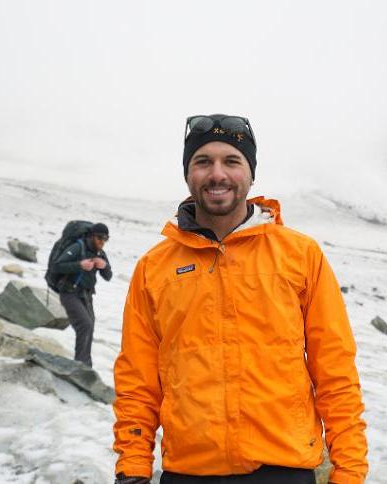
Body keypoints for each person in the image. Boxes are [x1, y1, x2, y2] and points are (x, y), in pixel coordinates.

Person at [112, 114, 368, 484]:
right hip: (188, 472)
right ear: (188, 174)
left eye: (232, 161)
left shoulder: (300, 255)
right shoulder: (154, 268)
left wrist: (350, 472)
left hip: (283, 470)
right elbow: (137, 379)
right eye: (203, 162)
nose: (218, 174)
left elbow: (336, 371)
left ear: (251, 174)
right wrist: (133, 465)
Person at [49, 222, 112, 367]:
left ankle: (84, 365)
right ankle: (81, 365)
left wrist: (104, 266)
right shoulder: (78, 247)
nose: (102, 242)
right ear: (91, 236)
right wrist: (79, 265)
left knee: (90, 327)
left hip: (87, 295)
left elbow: (108, 276)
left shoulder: (100, 254)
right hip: (69, 293)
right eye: (99, 238)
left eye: (105, 239)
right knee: (85, 325)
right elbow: (57, 266)